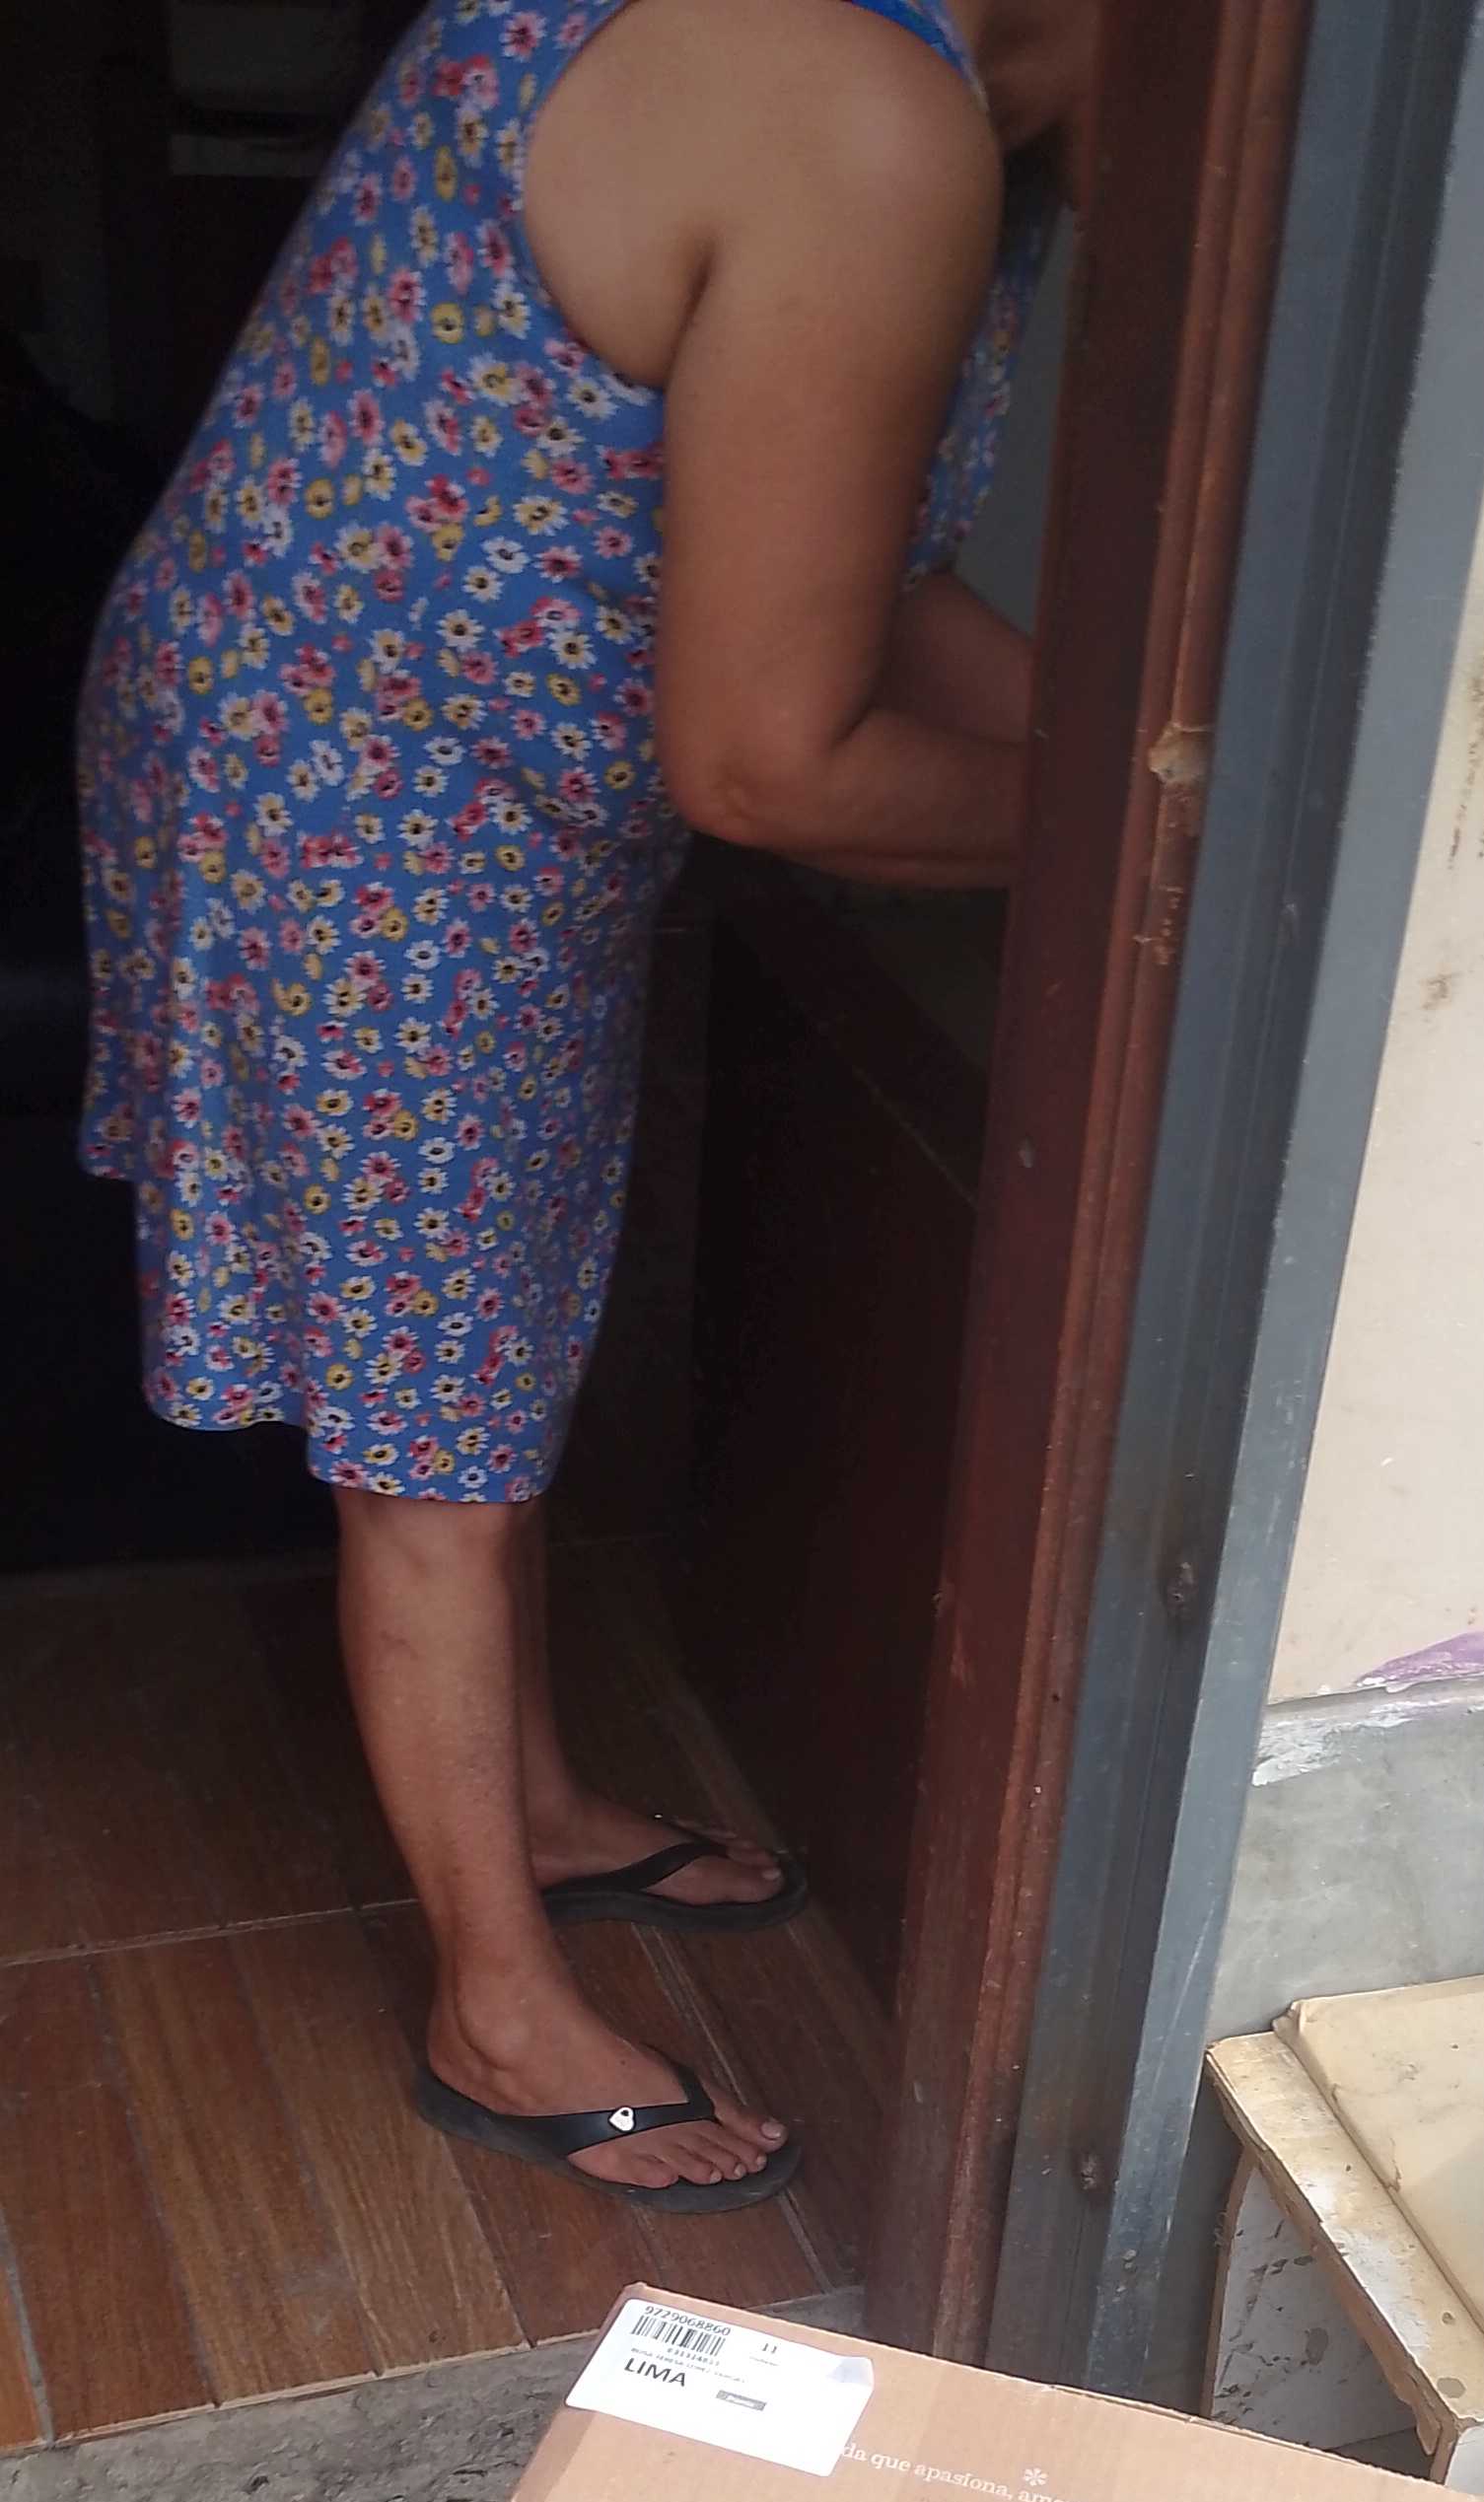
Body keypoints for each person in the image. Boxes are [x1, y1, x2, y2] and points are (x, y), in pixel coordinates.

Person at [77, 0, 1095, 2210]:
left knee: (491, 1334)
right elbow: (768, 759)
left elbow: (868, 568)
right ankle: (494, 2002)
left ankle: (529, 1806)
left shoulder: (954, 131)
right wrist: (1165, 820)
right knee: (429, 1438)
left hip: (437, 763)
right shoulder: (861, 114)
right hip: (351, 782)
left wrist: (1137, 753)